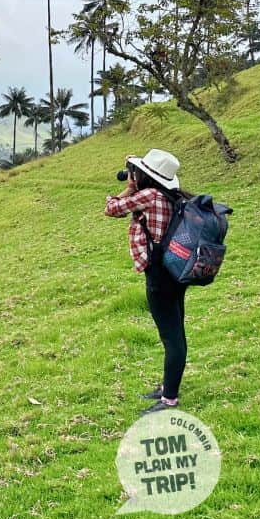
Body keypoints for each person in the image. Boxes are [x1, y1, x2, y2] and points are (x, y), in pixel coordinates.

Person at [104, 148, 190, 415]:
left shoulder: (149, 196)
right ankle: (167, 387)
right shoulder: (172, 196)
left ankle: (169, 400)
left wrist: (129, 188)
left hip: (159, 275)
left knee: (171, 337)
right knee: (175, 330)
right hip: (175, 271)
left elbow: (111, 208)